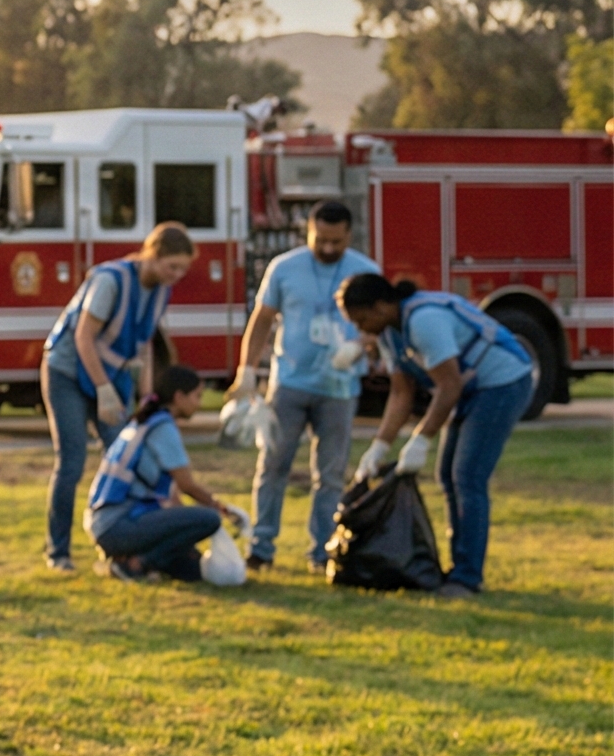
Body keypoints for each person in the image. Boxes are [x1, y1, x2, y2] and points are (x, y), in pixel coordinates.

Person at [339, 273, 536, 599]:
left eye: (363, 319)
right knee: (447, 476)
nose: (362, 330)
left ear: (382, 305)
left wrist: (421, 439)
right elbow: (401, 394)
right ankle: (459, 569)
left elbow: (449, 386)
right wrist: (380, 446)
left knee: (468, 476)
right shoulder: (390, 333)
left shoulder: (424, 321)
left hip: (502, 383)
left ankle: (467, 577)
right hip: (471, 387)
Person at [229, 201, 377, 574]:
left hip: (339, 388)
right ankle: (262, 547)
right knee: (273, 465)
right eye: (320, 240)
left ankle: (322, 551)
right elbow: (262, 319)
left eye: (335, 242)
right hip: (290, 383)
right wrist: (246, 370)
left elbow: (379, 327)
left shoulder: (365, 271)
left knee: (330, 474)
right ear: (308, 232)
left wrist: (361, 346)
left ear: (349, 236)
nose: (327, 248)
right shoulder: (285, 267)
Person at [40, 223, 196, 572]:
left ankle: (118, 543)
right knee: (71, 461)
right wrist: (104, 389)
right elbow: (83, 337)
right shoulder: (110, 281)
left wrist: (147, 396)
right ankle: (58, 553)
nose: (177, 275)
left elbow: (145, 349)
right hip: (67, 372)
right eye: (172, 266)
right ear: (151, 256)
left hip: (110, 376)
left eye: (183, 269)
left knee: (126, 458)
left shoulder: (159, 291)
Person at [86, 366, 242, 582]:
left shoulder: (145, 421)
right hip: (119, 524)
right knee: (208, 520)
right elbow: (187, 485)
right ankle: (137, 564)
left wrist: (186, 540)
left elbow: (172, 498)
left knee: (193, 570)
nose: (200, 403)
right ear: (179, 397)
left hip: (109, 523)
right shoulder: (163, 428)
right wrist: (219, 508)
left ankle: (130, 560)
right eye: (197, 396)